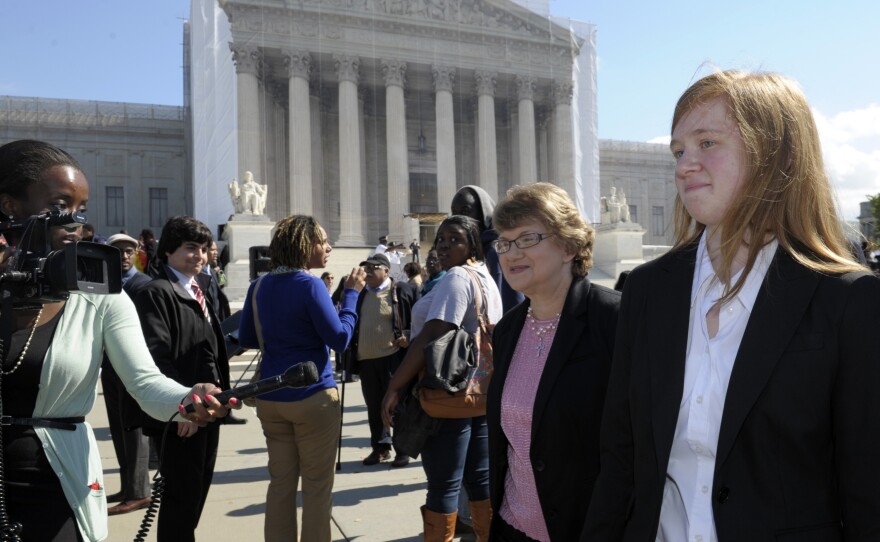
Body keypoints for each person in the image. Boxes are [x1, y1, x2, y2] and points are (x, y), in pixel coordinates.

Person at [582, 70, 880, 541]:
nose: (684, 165)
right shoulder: (645, 291)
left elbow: (868, 489)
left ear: (775, 154)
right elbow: (620, 458)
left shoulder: (846, 301)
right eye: (679, 150)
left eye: (707, 143)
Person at [0, 139, 231, 542]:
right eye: (60, 206)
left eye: (80, 210)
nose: (74, 223)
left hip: (55, 484)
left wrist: (186, 399)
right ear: (10, 206)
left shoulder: (101, 294)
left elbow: (145, 382)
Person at [487, 182, 620, 541]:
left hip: (586, 529)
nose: (511, 252)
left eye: (527, 238)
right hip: (512, 526)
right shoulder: (508, 330)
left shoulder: (614, 320)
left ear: (569, 246)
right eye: (504, 242)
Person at [237, 215, 366, 542]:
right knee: (316, 488)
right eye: (323, 241)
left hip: (271, 397)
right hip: (313, 397)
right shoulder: (309, 284)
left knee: (280, 484)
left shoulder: (259, 285)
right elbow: (340, 338)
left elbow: (249, 338)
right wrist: (350, 297)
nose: (329, 247)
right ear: (305, 246)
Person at [381, 215, 503, 541]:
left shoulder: (457, 278)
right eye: (441, 239)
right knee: (479, 481)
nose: (445, 245)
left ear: (473, 244)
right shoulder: (486, 277)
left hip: (448, 393)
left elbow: (433, 334)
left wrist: (395, 385)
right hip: (480, 393)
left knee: (444, 485)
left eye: (455, 239)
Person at [132, 216, 233, 542]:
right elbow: (157, 358)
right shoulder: (157, 292)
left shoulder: (199, 289)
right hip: (183, 416)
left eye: (204, 249)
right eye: (191, 248)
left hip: (208, 411)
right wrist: (180, 408)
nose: (200, 256)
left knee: (195, 495)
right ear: (169, 250)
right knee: (180, 501)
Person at [346, 252, 418, 468]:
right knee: (373, 406)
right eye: (366, 267)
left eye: (373, 267)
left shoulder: (401, 290)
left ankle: (402, 450)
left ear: (386, 270)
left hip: (392, 358)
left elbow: (419, 317)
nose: (367, 271)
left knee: (396, 405)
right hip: (366, 359)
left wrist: (408, 334)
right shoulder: (360, 293)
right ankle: (380, 448)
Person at [100, 233, 154, 516]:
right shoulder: (104, 285)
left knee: (134, 430)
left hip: (132, 367)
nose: (123, 256)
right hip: (109, 365)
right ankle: (128, 485)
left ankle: (140, 491)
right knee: (118, 428)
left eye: (128, 251)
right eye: (117, 251)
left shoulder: (142, 285)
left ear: (136, 253)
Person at [451, 185, 524, 313]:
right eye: (454, 212)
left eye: (465, 211)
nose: (459, 219)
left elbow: (511, 302)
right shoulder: (468, 251)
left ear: (483, 213)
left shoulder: (496, 250)